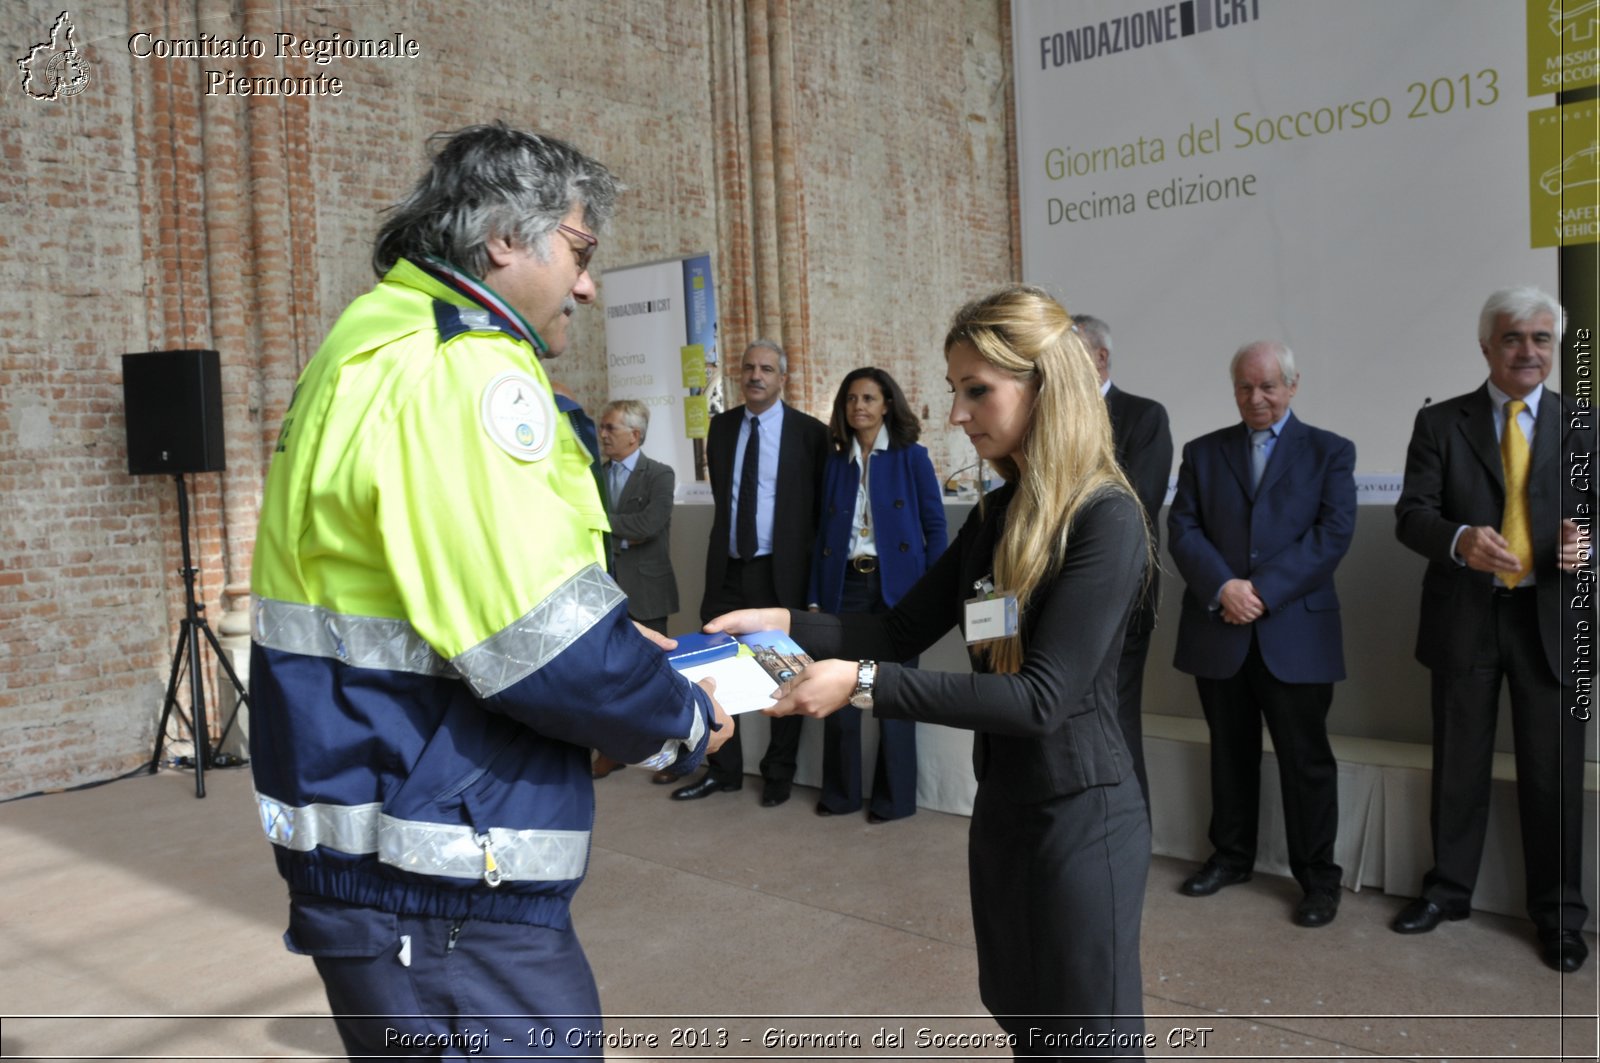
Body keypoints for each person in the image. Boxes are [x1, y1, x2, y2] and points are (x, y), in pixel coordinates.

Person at [247, 123, 732, 1059]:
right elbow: (542, 646)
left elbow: (454, 600)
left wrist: (623, 643)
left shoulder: (371, 340)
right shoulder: (460, 371)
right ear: (506, 239)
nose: (589, 286)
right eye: (582, 253)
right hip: (442, 889)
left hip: (392, 856)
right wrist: (677, 713)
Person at [710, 286, 1151, 1057]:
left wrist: (867, 682)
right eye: (954, 391)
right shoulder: (995, 516)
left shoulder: (1104, 518)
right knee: (1025, 1022)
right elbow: (899, 624)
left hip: (1082, 822)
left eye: (978, 390)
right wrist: (787, 621)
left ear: (1045, 384)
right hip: (1007, 809)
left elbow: (1040, 698)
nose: (956, 414)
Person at [1390, 286, 1593, 973]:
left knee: (1553, 776)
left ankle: (1560, 915)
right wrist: (1458, 541)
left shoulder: (1585, 427)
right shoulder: (1441, 422)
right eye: (1513, 337)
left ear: (1554, 348)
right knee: (1459, 767)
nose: (1528, 350)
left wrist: (1585, 543)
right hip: (1466, 616)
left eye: (1541, 338)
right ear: (1487, 346)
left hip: (1553, 622)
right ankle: (1447, 892)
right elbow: (1411, 514)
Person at [1167, 340, 1355, 929]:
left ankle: (1318, 881)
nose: (1257, 398)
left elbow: (1332, 535)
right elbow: (1183, 527)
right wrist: (1225, 587)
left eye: (1269, 386)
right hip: (1219, 629)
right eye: (1245, 387)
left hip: (1294, 634)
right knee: (1230, 752)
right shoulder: (1202, 452)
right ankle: (1230, 858)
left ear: (1293, 386)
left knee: (1306, 762)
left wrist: (1260, 591)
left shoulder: (1330, 451)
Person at [667, 340, 829, 807]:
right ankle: (724, 770)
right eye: (748, 368)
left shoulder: (809, 434)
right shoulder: (721, 428)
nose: (756, 376)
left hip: (780, 574)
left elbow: (815, 511)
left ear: (783, 378)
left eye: (766, 369)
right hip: (729, 570)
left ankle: (779, 773)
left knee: (786, 672)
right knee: (711, 667)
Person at [808, 367, 948, 822]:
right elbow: (821, 535)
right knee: (841, 694)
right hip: (846, 588)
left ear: (887, 404)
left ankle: (896, 800)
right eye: (851, 399)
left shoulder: (912, 457)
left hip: (899, 590)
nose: (859, 407)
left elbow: (935, 528)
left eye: (868, 398)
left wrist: (931, 593)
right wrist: (814, 594)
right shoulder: (836, 462)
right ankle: (841, 794)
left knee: (894, 695)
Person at [1075, 313, 1172, 809]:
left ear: (1101, 357)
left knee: (1117, 719)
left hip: (1123, 597)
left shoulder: (1143, 415)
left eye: (1071, 355)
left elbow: (1138, 503)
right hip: (1058, 596)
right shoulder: (1054, 416)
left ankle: (1132, 832)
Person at [598, 399, 679, 635]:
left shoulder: (660, 474)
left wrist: (602, 522)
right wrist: (623, 538)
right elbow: (583, 524)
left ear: (634, 435)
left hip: (647, 595)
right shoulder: (594, 475)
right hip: (605, 593)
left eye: (610, 428)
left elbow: (648, 525)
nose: (602, 434)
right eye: (601, 427)